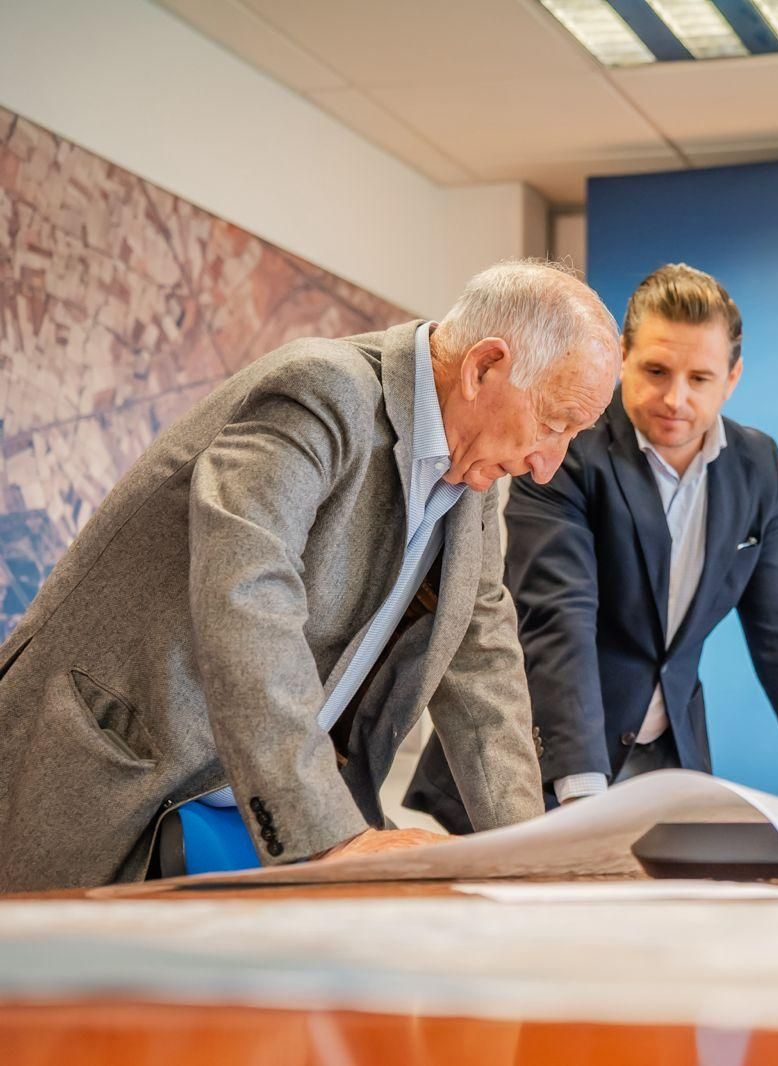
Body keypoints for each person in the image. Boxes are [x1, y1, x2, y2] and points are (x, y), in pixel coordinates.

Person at [0, 260, 621, 891]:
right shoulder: (324, 391)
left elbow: (482, 657)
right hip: (112, 778)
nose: (548, 464)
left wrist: (531, 856)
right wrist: (329, 837)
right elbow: (246, 590)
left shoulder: (474, 475)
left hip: (231, 811)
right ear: (483, 367)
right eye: (553, 422)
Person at [406, 263, 778, 830]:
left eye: (700, 378)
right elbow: (560, 618)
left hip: (666, 767)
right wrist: (584, 802)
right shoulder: (565, 444)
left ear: (733, 377)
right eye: (655, 370)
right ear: (623, 355)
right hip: (540, 762)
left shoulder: (757, 468)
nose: (674, 398)